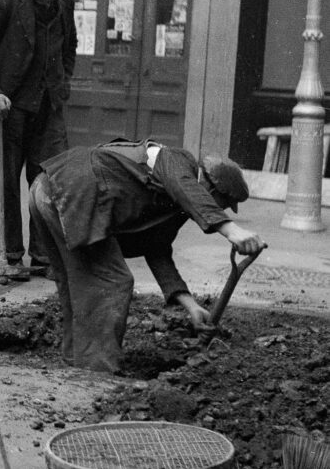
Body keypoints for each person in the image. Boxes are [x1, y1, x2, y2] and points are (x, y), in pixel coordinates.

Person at [28, 140, 267, 374]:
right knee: (112, 281)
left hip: (51, 189)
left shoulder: (174, 203)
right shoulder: (178, 161)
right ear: (211, 190)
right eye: (222, 204)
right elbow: (185, 187)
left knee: (79, 280)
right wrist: (231, 230)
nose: (220, 209)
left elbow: (157, 250)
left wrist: (191, 306)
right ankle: (96, 372)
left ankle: (75, 361)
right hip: (70, 191)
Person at [0, 0, 77, 277]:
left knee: (48, 181)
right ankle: (9, 255)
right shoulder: (3, 0)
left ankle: (44, 254)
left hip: (48, 105)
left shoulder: (63, 0)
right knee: (6, 180)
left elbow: (69, 46)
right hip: (8, 107)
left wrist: (62, 82)